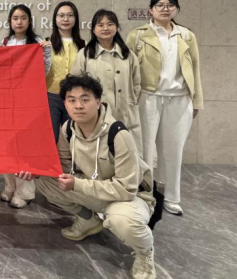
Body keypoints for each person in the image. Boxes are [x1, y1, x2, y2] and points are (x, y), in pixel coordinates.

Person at [18, 74, 156, 279]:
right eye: (71, 100)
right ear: (65, 104)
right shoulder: (68, 130)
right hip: (95, 189)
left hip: (130, 198)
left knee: (122, 221)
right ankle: (88, 221)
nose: (78, 106)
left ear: (98, 102)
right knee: (45, 182)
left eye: (85, 99)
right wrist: (37, 172)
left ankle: (145, 254)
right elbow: (63, 167)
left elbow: (127, 189)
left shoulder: (118, 133)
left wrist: (78, 185)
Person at [127, 0, 203, 216]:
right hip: (148, 97)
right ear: (151, 10)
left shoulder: (186, 36)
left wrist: (196, 100)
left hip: (179, 100)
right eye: (160, 5)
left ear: (176, 9)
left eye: (170, 5)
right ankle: (146, 195)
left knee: (174, 151)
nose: (165, 8)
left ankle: (171, 197)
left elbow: (195, 69)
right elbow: (130, 69)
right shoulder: (138, 35)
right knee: (145, 149)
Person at [0, 4, 52, 209]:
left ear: (29, 21)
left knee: (25, 147)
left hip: (28, 101)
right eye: (15, 18)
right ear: (10, 21)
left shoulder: (37, 42)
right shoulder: (5, 42)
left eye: (23, 18)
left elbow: (44, 71)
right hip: (8, 100)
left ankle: (25, 192)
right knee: (8, 145)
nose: (19, 22)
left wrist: (45, 52)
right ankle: (10, 186)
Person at [72, 9, 142, 154]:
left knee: (126, 152)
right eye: (100, 25)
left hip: (125, 113)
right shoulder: (84, 54)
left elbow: (136, 84)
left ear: (117, 28)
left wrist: (130, 101)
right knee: (100, 153)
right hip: (96, 114)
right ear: (93, 29)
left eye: (110, 24)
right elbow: (75, 86)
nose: (105, 28)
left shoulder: (128, 55)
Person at [45, 1, 85, 142]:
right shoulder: (46, 44)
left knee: (72, 138)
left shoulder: (83, 45)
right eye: (61, 16)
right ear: (55, 19)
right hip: (51, 97)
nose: (65, 19)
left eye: (70, 15)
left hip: (75, 98)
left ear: (75, 18)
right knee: (51, 138)